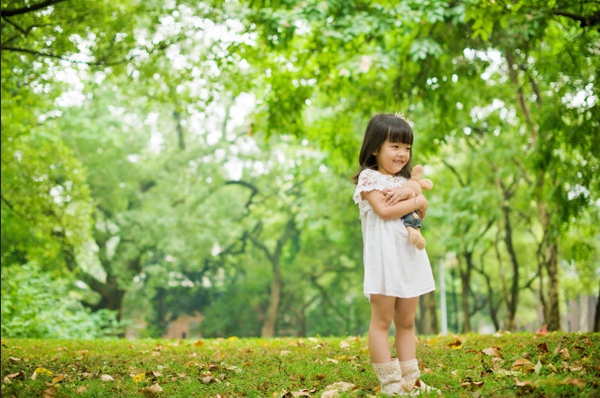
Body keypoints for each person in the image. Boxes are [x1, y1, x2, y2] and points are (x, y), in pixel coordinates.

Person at [352, 113, 438, 396]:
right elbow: (385, 211)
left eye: (407, 147)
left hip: (408, 256)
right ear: (375, 147)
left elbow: (419, 213)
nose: (403, 153)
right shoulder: (370, 178)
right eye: (395, 146)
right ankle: (390, 383)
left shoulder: (405, 181)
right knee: (382, 320)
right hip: (384, 260)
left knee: (406, 321)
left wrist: (416, 199)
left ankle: (411, 381)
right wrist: (417, 198)